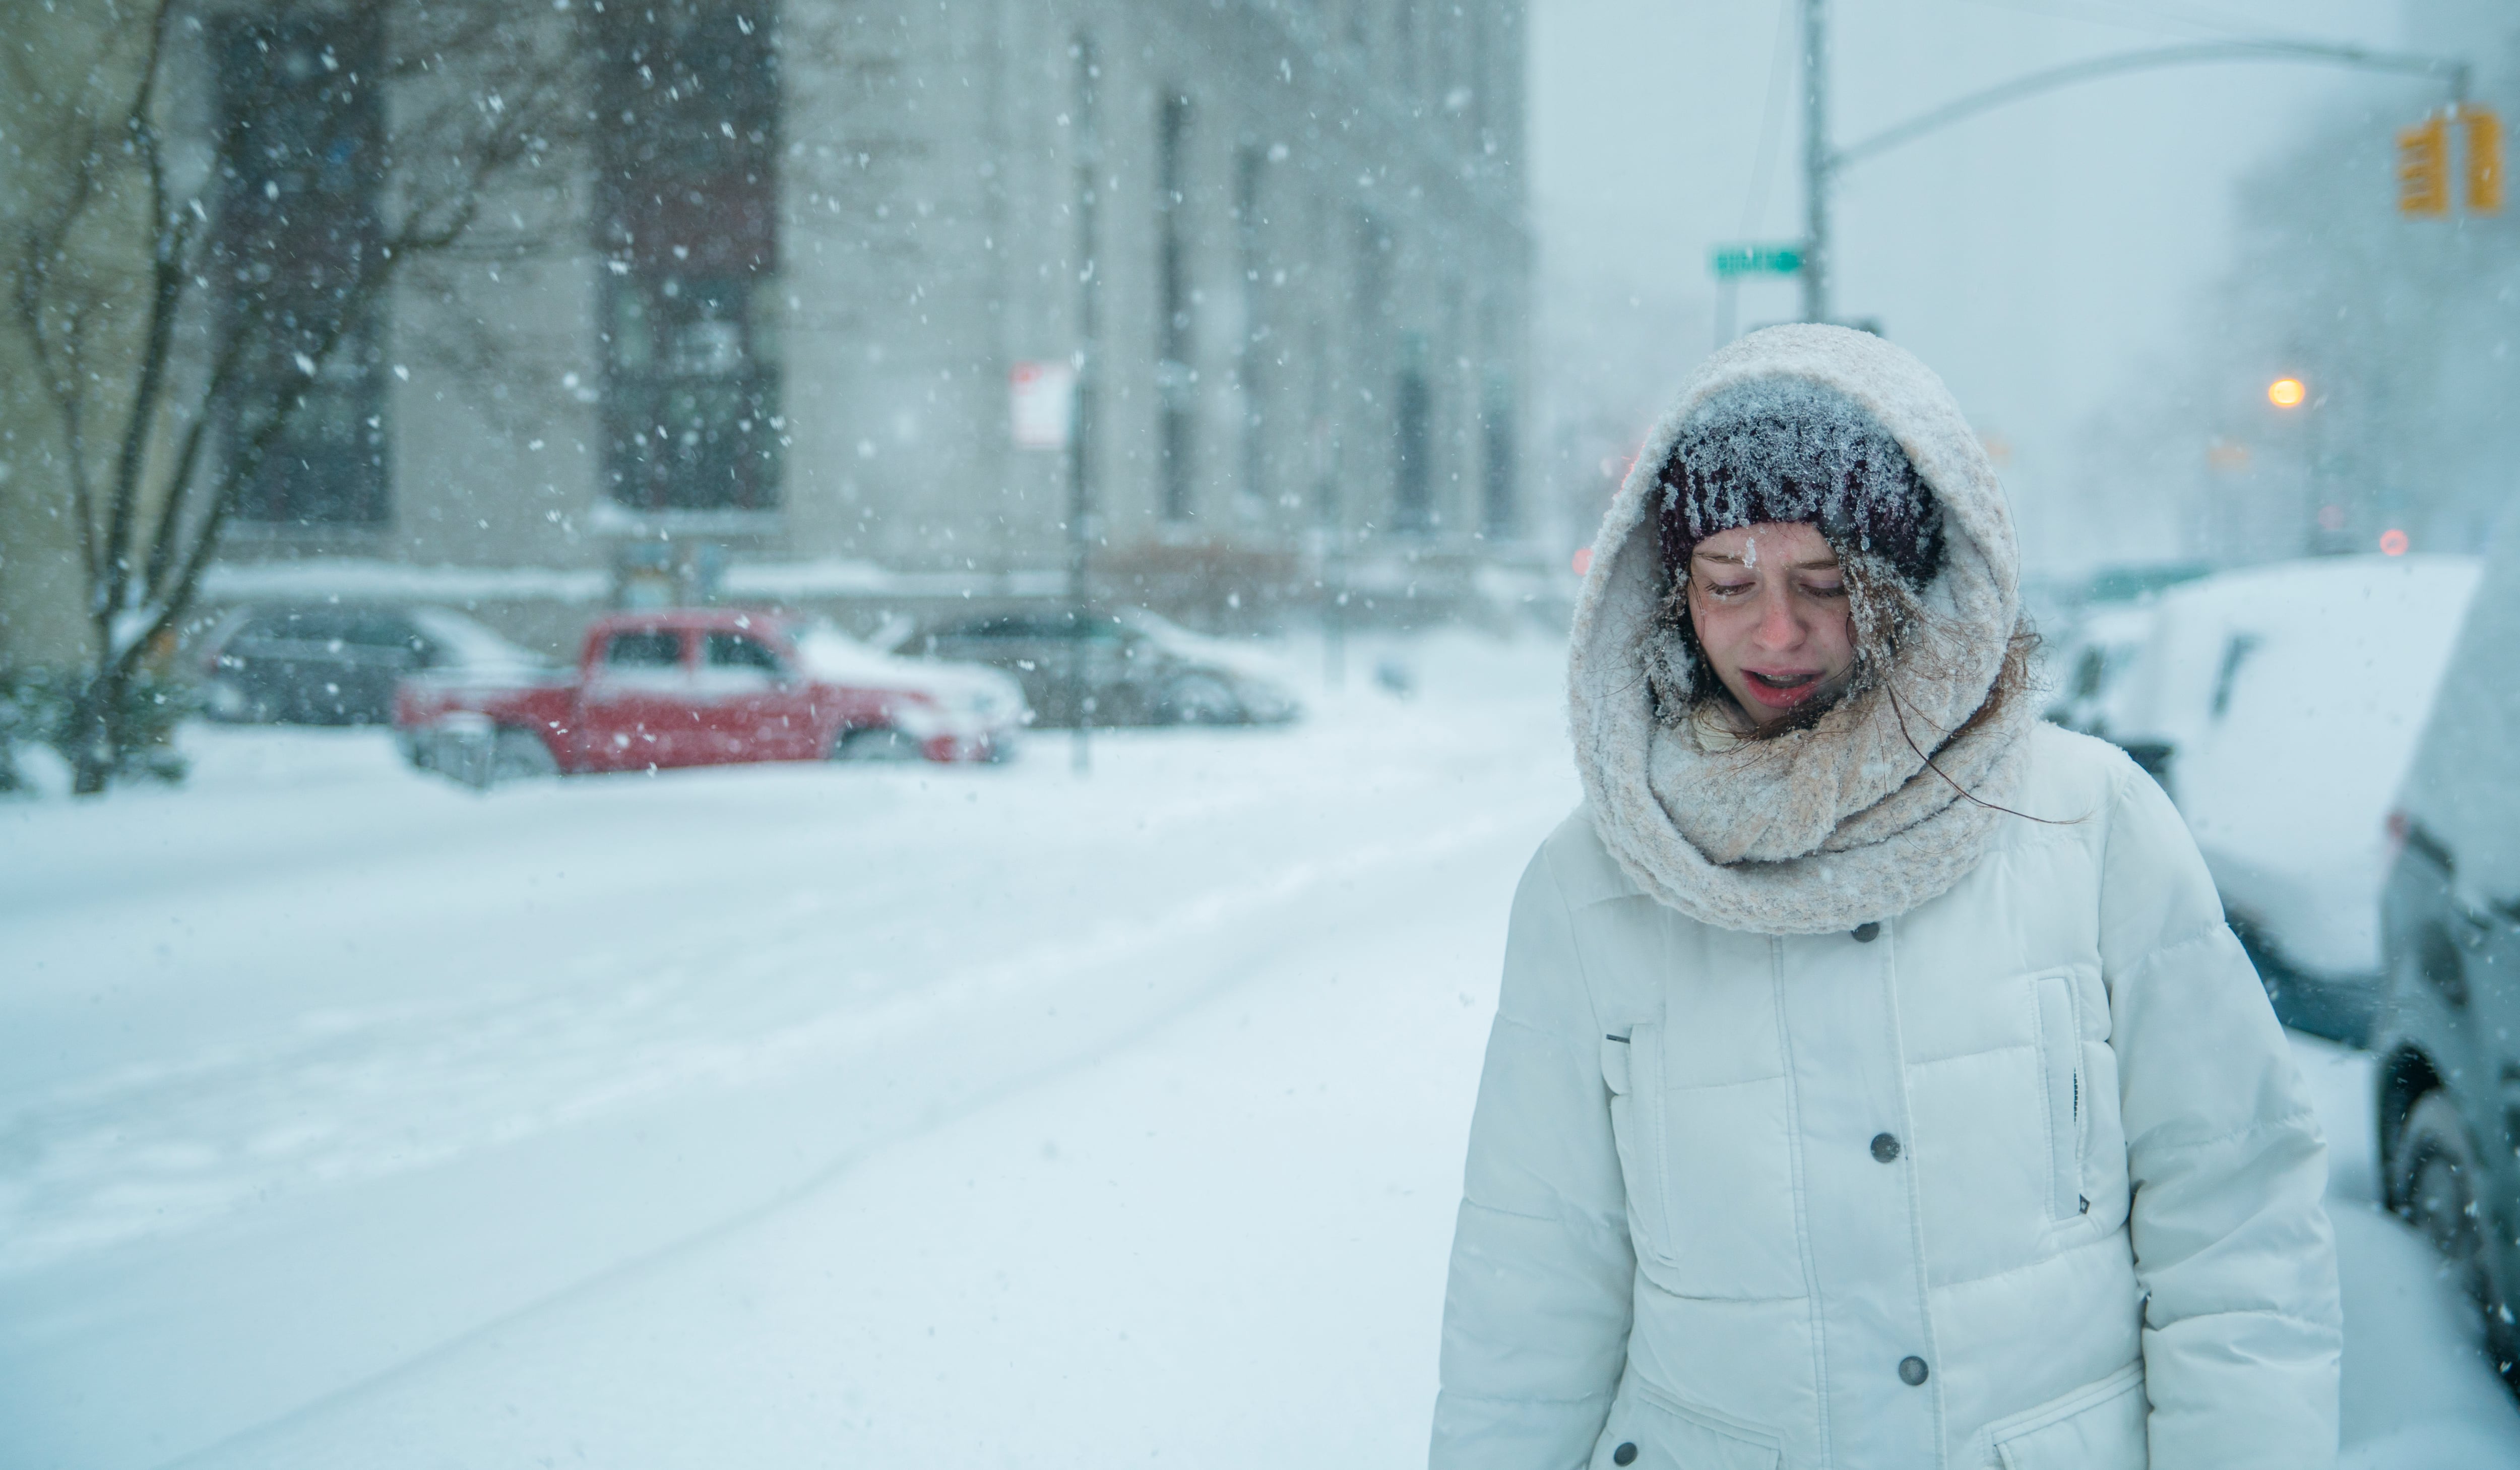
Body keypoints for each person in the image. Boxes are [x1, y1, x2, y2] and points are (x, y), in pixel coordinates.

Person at [1429, 325, 2340, 1470]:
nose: (1775, 630)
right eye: (1727, 583)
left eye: (1824, 582)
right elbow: (1534, 1286)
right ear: (1672, 595)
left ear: (1905, 581)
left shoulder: (2087, 821)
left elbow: (2235, 1224)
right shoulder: (1591, 885)